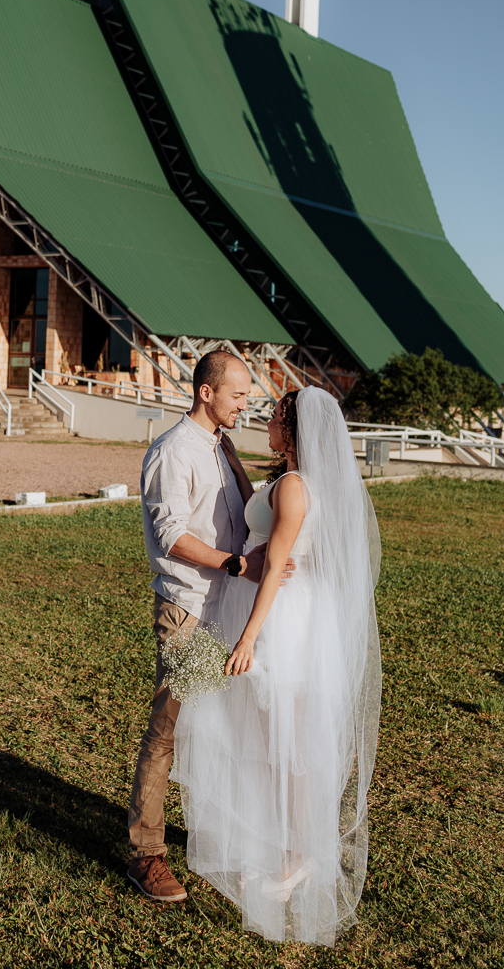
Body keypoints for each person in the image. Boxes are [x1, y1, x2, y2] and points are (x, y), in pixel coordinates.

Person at [173, 386, 382, 946]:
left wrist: (249, 638)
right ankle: (285, 846)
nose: (264, 422)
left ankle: (299, 856)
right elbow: (263, 512)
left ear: (292, 431)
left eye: (272, 417)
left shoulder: (294, 487)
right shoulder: (299, 483)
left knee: (286, 744)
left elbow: (275, 566)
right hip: (299, 613)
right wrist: (237, 463)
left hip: (282, 621)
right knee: (276, 740)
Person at [127, 350, 296, 903]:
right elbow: (171, 534)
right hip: (189, 610)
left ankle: (220, 834)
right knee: (169, 730)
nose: (247, 405)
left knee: (223, 731)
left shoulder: (221, 448)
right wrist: (235, 564)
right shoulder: (173, 452)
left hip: (227, 608)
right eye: (239, 395)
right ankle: (146, 855)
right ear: (207, 392)